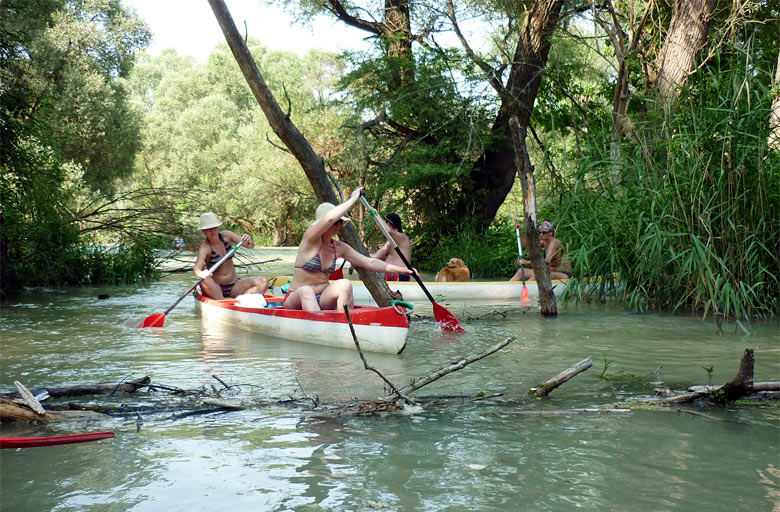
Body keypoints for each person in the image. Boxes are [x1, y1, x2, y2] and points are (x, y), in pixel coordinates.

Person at [284, 187, 414, 312]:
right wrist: (353, 199)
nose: (339, 225)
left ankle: (345, 325)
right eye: (336, 222)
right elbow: (329, 218)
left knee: (345, 284)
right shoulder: (310, 239)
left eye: (341, 222)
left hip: (323, 298)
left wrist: (404, 270)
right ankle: (318, 329)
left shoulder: (340, 247)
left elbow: (370, 262)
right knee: (306, 291)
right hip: (297, 297)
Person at [193, 212, 269, 299]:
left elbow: (250, 245)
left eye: (214, 227)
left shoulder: (227, 235)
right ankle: (222, 301)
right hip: (217, 288)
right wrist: (202, 274)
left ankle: (243, 301)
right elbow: (196, 269)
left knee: (263, 281)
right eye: (209, 229)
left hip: (234, 285)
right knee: (205, 281)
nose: (213, 231)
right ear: (203, 231)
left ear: (218, 227)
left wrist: (248, 239)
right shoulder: (205, 248)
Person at [369, 212, 412, 281]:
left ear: (388, 224)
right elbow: (375, 256)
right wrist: (358, 254)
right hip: (388, 273)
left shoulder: (402, 237)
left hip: (400, 274)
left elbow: (388, 230)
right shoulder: (389, 242)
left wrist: (376, 215)